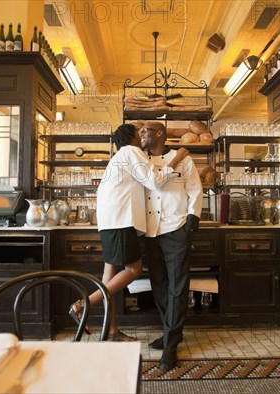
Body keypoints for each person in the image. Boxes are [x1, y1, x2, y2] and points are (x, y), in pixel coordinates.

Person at [69, 123, 189, 341]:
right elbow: (154, 182)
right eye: (139, 133)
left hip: (109, 221)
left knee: (110, 277)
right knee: (133, 269)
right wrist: (177, 157)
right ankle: (82, 305)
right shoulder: (130, 152)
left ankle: (112, 331)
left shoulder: (119, 157)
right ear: (132, 138)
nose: (142, 136)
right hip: (121, 221)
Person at [140, 121, 203, 371]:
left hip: (176, 228)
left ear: (160, 134)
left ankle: (171, 345)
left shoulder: (183, 159)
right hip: (149, 230)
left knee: (177, 287)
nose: (142, 135)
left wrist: (192, 220)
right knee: (159, 286)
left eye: (146, 131)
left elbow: (196, 189)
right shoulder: (139, 159)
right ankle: (171, 333)